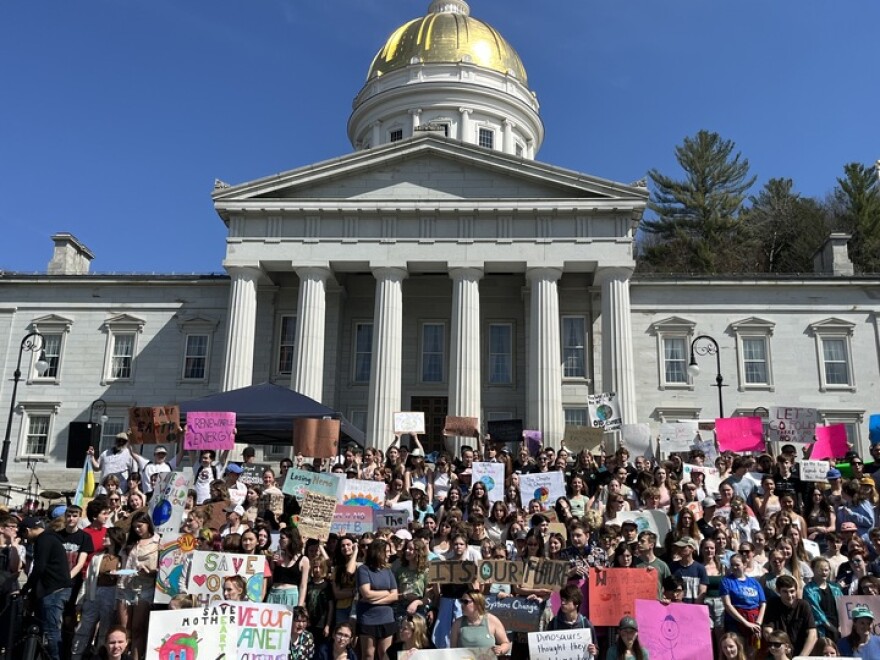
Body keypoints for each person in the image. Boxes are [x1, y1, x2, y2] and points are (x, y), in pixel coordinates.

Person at [20, 516, 72, 660]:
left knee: (51, 631)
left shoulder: (43, 540)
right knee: (50, 630)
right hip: (55, 590)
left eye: (23, 534)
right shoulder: (50, 538)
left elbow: (39, 567)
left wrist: (26, 588)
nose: (25, 538)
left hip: (54, 591)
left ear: (28, 530)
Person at [72, 527, 126, 660]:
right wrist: (80, 599)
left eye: (106, 536)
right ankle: (76, 655)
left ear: (114, 538)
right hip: (94, 592)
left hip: (112, 594)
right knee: (84, 626)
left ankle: (101, 655)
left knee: (106, 629)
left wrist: (119, 573)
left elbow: (128, 574)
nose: (104, 538)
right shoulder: (97, 556)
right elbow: (88, 578)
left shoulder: (122, 557)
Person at [116, 511, 159, 660]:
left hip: (144, 587)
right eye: (134, 527)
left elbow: (163, 569)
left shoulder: (158, 542)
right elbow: (122, 562)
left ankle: (135, 656)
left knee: (138, 628)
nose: (137, 530)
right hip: (125, 586)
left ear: (148, 525)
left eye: (140, 526)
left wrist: (151, 572)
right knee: (123, 629)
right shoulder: (130, 540)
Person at [356, 538, 399, 660]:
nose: (389, 554)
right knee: (368, 655)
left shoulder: (388, 570)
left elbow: (395, 595)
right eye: (386, 551)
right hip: (368, 618)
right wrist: (386, 593)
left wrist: (373, 599)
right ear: (377, 552)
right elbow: (366, 593)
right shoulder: (363, 570)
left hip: (387, 618)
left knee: (384, 654)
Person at [761, 575, 817, 656]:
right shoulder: (772, 604)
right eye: (785, 592)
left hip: (801, 652)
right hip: (779, 653)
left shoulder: (803, 605)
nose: (789, 595)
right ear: (778, 591)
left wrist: (801, 658)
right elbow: (767, 631)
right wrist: (780, 650)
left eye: (792, 591)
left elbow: (813, 634)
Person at [720, 553, 766, 650]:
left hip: (754, 619)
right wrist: (745, 623)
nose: (734, 567)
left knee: (752, 650)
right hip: (735, 621)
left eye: (737, 564)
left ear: (744, 565)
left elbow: (763, 603)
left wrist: (758, 623)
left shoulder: (754, 582)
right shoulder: (726, 581)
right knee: (737, 649)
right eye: (732, 565)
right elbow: (727, 605)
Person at [450, 590, 511, 655]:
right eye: (461, 601)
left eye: (465, 602)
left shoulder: (492, 620)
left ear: (477, 604)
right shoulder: (457, 623)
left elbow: (506, 643)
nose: (462, 605)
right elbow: (453, 650)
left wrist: (501, 649)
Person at [546, 584, 599, 657]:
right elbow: (546, 649)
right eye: (562, 600)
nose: (562, 603)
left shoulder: (586, 624)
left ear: (576, 603)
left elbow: (595, 649)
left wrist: (594, 651)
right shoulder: (554, 623)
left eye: (566, 600)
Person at [802, 557, 842, 641]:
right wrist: (833, 629)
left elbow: (842, 608)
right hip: (821, 628)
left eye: (826, 570)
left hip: (838, 626)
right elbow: (816, 612)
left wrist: (840, 626)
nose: (824, 573)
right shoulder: (809, 589)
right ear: (813, 570)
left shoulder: (835, 588)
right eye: (820, 570)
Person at [268, 527, 309, 609]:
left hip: (291, 596)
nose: (279, 541)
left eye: (282, 538)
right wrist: (272, 564)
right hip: (274, 594)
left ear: (291, 539)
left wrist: (299, 606)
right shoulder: (277, 555)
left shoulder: (303, 560)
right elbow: (270, 580)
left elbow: (303, 585)